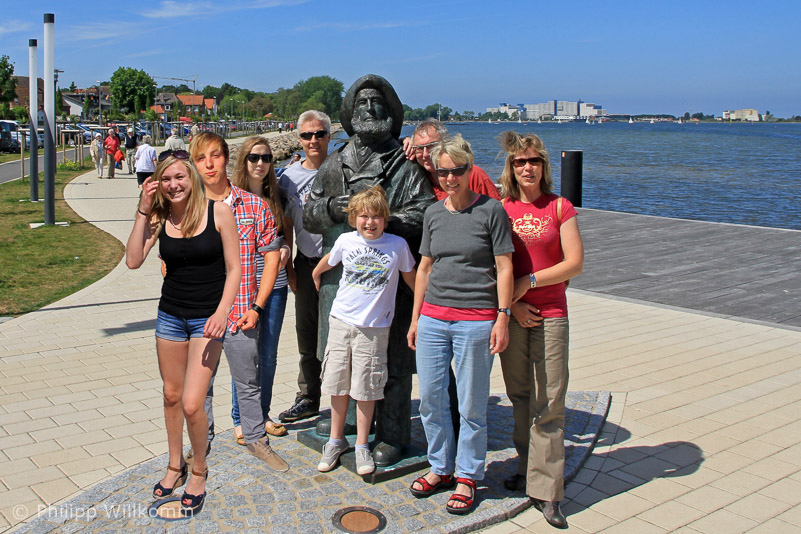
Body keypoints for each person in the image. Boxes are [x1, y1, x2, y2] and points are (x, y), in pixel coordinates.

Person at [304, 74, 435, 467]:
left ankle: (392, 433)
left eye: (379, 103)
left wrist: (380, 220)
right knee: (338, 360)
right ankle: (340, 430)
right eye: (362, 103)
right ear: (350, 112)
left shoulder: (404, 165)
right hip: (340, 282)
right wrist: (332, 208)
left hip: (387, 283)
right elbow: (309, 213)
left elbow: (425, 211)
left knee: (390, 363)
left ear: (391, 112)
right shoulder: (333, 164)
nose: (370, 110)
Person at [125, 152, 240, 516]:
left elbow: (235, 268)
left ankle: (200, 469)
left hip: (208, 320)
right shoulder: (160, 216)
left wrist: (223, 313)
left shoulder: (218, 211)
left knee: (193, 402)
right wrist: (143, 210)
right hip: (170, 317)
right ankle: (175, 465)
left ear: (191, 177)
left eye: (180, 177)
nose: (174, 185)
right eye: (167, 179)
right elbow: (132, 260)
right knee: (172, 396)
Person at [407, 134, 513, 515]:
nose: (450, 178)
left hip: (476, 320)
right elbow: (425, 267)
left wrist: (503, 315)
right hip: (434, 317)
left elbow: (504, 266)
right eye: (443, 171)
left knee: (471, 405)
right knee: (432, 400)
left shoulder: (491, 211)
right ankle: (441, 467)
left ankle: (468, 475)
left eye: (457, 171)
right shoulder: (434, 213)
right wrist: (416, 318)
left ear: (470, 170)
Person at [497, 131, 584, 529]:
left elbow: (573, 264)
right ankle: (526, 468)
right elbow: (494, 267)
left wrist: (528, 284)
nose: (527, 168)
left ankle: (549, 492)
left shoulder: (560, 207)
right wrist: (515, 304)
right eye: (519, 162)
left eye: (533, 161)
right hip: (516, 313)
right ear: (511, 169)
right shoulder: (502, 208)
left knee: (549, 401)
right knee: (519, 396)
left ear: (544, 166)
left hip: (551, 313)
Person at [190, 132, 289, 472]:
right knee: (200, 387)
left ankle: (257, 440)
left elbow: (272, 258)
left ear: (226, 159)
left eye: (215, 155)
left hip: (239, 315)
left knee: (248, 381)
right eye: (201, 158)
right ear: (194, 162)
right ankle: (200, 446)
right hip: (199, 318)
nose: (209, 164)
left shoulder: (254, 206)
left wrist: (257, 307)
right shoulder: (188, 208)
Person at [311, 186, 416, 475]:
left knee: (367, 388)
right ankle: (335, 440)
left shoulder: (397, 246)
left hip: (374, 329)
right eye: (363, 216)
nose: (369, 223)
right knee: (337, 383)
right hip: (342, 322)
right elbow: (330, 259)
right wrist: (316, 273)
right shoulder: (346, 241)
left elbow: (412, 280)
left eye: (376, 217)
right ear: (354, 218)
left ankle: (361, 445)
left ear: (385, 219)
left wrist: (423, 312)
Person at [229, 136, 293, 442]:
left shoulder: (278, 196)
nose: (260, 164)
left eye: (266, 158)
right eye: (254, 158)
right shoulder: (231, 198)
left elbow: (287, 235)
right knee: (244, 354)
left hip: (276, 286)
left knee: (268, 355)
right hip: (243, 287)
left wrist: (286, 250)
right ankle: (241, 417)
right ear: (244, 161)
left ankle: (262, 413)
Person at [276, 110, 331, 424]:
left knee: (340, 335)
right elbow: (285, 224)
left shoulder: (343, 170)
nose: (314, 140)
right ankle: (308, 396)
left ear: (329, 136)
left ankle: (347, 399)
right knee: (306, 334)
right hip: (306, 263)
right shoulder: (289, 177)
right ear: (299, 139)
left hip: (340, 268)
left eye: (320, 133)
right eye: (307, 135)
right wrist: (292, 270)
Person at [405, 118, 500, 201]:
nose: (425, 154)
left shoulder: (471, 174)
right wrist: (403, 140)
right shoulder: (415, 177)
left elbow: (496, 212)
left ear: (444, 144)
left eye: (431, 146)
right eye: (419, 148)